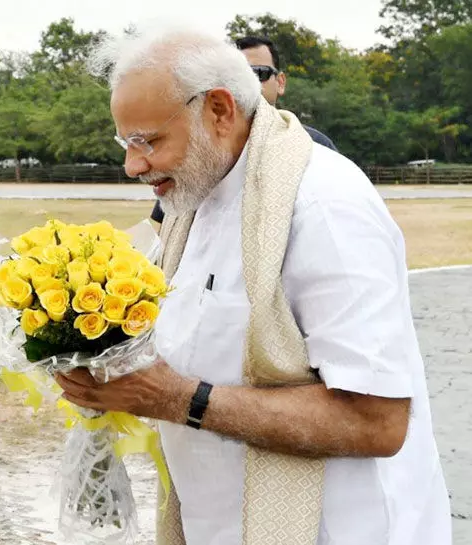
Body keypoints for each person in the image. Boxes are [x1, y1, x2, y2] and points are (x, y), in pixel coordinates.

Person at [58, 25, 451, 544]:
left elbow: (376, 421)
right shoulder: (193, 202)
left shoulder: (323, 206)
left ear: (219, 110)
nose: (132, 165)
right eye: (125, 143)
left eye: (147, 141)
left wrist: (177, 399)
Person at [150, 35, 338, 225]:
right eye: (233, 78)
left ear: (280, 82)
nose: (248, 84)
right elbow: (163, 226)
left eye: (259, 73)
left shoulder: (313, 145)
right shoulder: (197, 150)